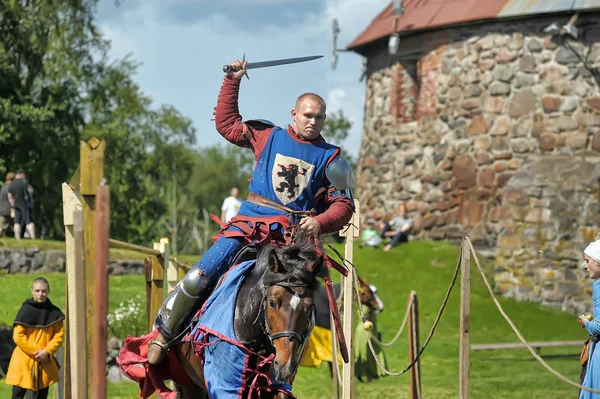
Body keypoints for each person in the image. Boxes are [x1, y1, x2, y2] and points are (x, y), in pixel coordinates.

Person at [146, 59, 355, 365]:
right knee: (196, 277)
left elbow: (344, 205)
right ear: (294, 115)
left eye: (319, 117)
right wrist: (233, 80)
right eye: (307, 116)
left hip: (290, 241)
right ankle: (164, 336)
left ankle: (286, 366)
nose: (313, 122)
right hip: (247, 228)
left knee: (300, 303)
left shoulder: (332, 159)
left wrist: (319, 221)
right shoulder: (268, 136)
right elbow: (227, 124)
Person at [5, 277, 65, 399]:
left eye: (43, 291)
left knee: (41, 396)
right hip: (24, 361)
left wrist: (47, 352)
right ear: (32, 291)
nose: (40, 294)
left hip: (44, 362)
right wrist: (38, 352)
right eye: (37, 291)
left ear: (48, 291)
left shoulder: (54, 313)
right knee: (17, 395)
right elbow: (18, 336)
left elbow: (58, 335)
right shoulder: (25, 310)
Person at [7, 170, 35, 240]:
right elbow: (31, 190)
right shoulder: (24, 182)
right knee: (29, 221)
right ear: (22, 174)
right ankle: (33, 236)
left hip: (16, 205)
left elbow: (10, 196)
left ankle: (17, 237)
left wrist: (12, 205)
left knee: (17, 222)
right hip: (24, 204)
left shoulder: (12, 184)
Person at [0, 172, 15, 237]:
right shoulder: (11, 188)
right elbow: (11, 199)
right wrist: (13, 208)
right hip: (8, 210)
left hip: (1, 209)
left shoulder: (3, 187)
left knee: (1, 226)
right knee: (4, 227)